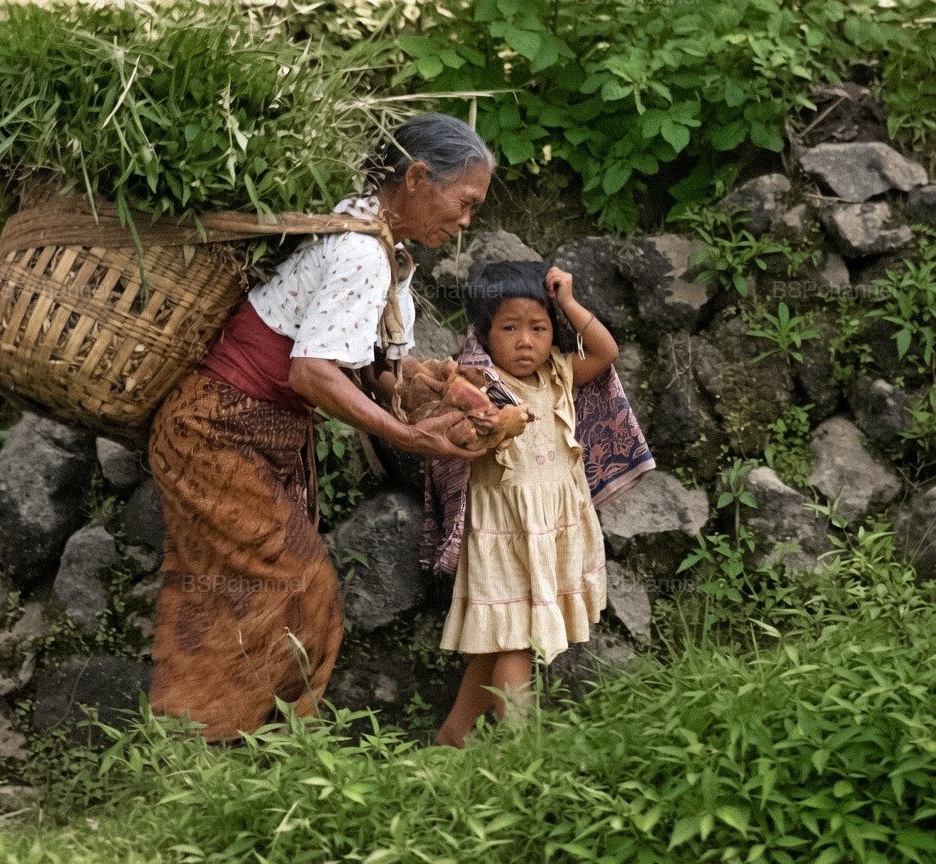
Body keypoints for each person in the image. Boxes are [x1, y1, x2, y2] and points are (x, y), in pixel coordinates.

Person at [148, 113, 494, 743]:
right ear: (417, 178)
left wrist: (442, 398)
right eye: (463, 202)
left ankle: (202, 750)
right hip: (218, 436)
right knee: (301, 595)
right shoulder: (361, 251)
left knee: (217, 595)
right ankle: (253, 751)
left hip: (218, 434)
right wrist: (411, 438)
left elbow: (373, 371)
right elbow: (312, 372)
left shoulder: (383, 252)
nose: (466, 221)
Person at [434, 261, 624, 748]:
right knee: (517, 639)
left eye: (538, 328)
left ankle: (454, 734)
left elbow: (605, 351)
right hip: (506, 534)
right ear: (484, 331)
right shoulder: (477, 388)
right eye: (509, 328)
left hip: (553, 526)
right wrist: (496, 423)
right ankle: (523, 749)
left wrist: (569, 302)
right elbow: (454, 437)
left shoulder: (558, 372)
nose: (525, 342)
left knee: (501, 637)